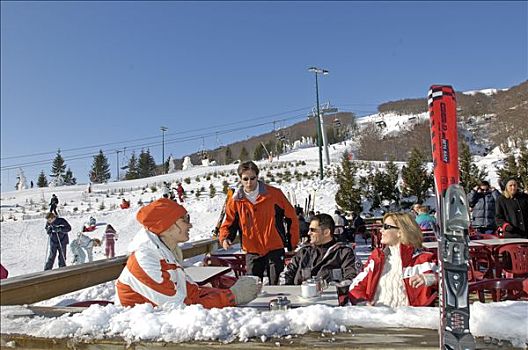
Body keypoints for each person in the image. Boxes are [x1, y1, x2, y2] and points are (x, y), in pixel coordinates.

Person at [116, 198, 258, 308]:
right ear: (167, 226)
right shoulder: (146, 259)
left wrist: (230, 289)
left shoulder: (165, 254)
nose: (190, 225)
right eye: (185, 220)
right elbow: (180, 309)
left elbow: (193, 293)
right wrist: (232, 296)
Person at [219, 161, 300, 285]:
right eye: (245, 179)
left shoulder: (274, 194)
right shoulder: (235, 200)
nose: (249, 182)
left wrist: (292, 243)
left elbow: (291, 217)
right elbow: (229, 222)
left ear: (258, 177)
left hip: (274, 247)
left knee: (277, 285)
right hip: (252, 250)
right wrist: (225, 238)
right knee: (252, 287)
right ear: (240, 179)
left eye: (252, 178)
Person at [349, 212, 438, 307]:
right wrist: (363, 302)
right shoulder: (376, 259)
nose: (381, 230)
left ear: (400, 232)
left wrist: (432, 278)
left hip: (411, 319)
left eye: (386, 227)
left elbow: (449, 285)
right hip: (378, 317)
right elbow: (355, 287)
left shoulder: (425, 259)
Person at [283, 213, 359, 290]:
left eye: (312, 230)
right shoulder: (304, 252)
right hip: (300, 299)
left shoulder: (344, 253)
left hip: (331, 299)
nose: (308, 233)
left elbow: (354, 279)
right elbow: (286, 274)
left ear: (326, 232)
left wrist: (333, 288)